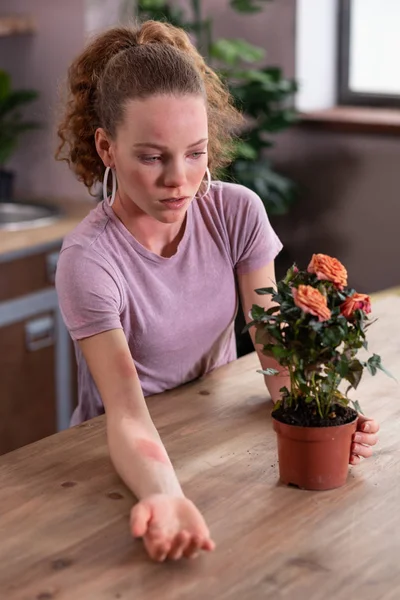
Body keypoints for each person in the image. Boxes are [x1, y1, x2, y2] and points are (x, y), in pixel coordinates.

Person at [55, 20, 379, 563]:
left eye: (196, 152)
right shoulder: (89, 261)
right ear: (107, 148)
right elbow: (128, 413)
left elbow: (271, 343)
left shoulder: (236, 212)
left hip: (211, 428)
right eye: (153, 157)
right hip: (118, 459)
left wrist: (319, 414)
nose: (178, 179)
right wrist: (164, 495)